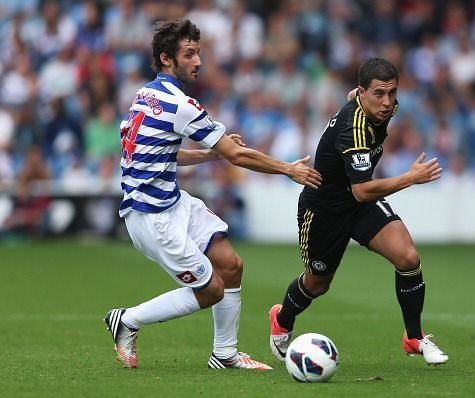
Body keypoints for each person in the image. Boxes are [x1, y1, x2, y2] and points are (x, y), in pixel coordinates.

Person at [104, 19, 321, 371]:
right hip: (152, 217)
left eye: (198, 53)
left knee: (231, 265)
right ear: (166, 59)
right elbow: (237, 155)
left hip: (171, 203)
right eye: (189, 54)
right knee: (211, 290)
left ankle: (224, 354)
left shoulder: (145, 96)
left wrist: (211, 153)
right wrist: (288, 169)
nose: (198, 61)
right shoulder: (180, 104)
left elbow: (164, 153)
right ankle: (128, 320)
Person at [268, 57, 449, 366]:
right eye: (379, 94)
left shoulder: (379, 105)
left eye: (392, 93)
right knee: (318, 283)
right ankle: (282, 319)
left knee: (407, 257)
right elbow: (362, 189)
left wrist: (361, 97)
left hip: (358, 205)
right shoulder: (352, 131)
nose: (387, 102)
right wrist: (410, 177)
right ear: (364, 92)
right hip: (324, 210)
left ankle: (414, 337)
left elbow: (360, 195)